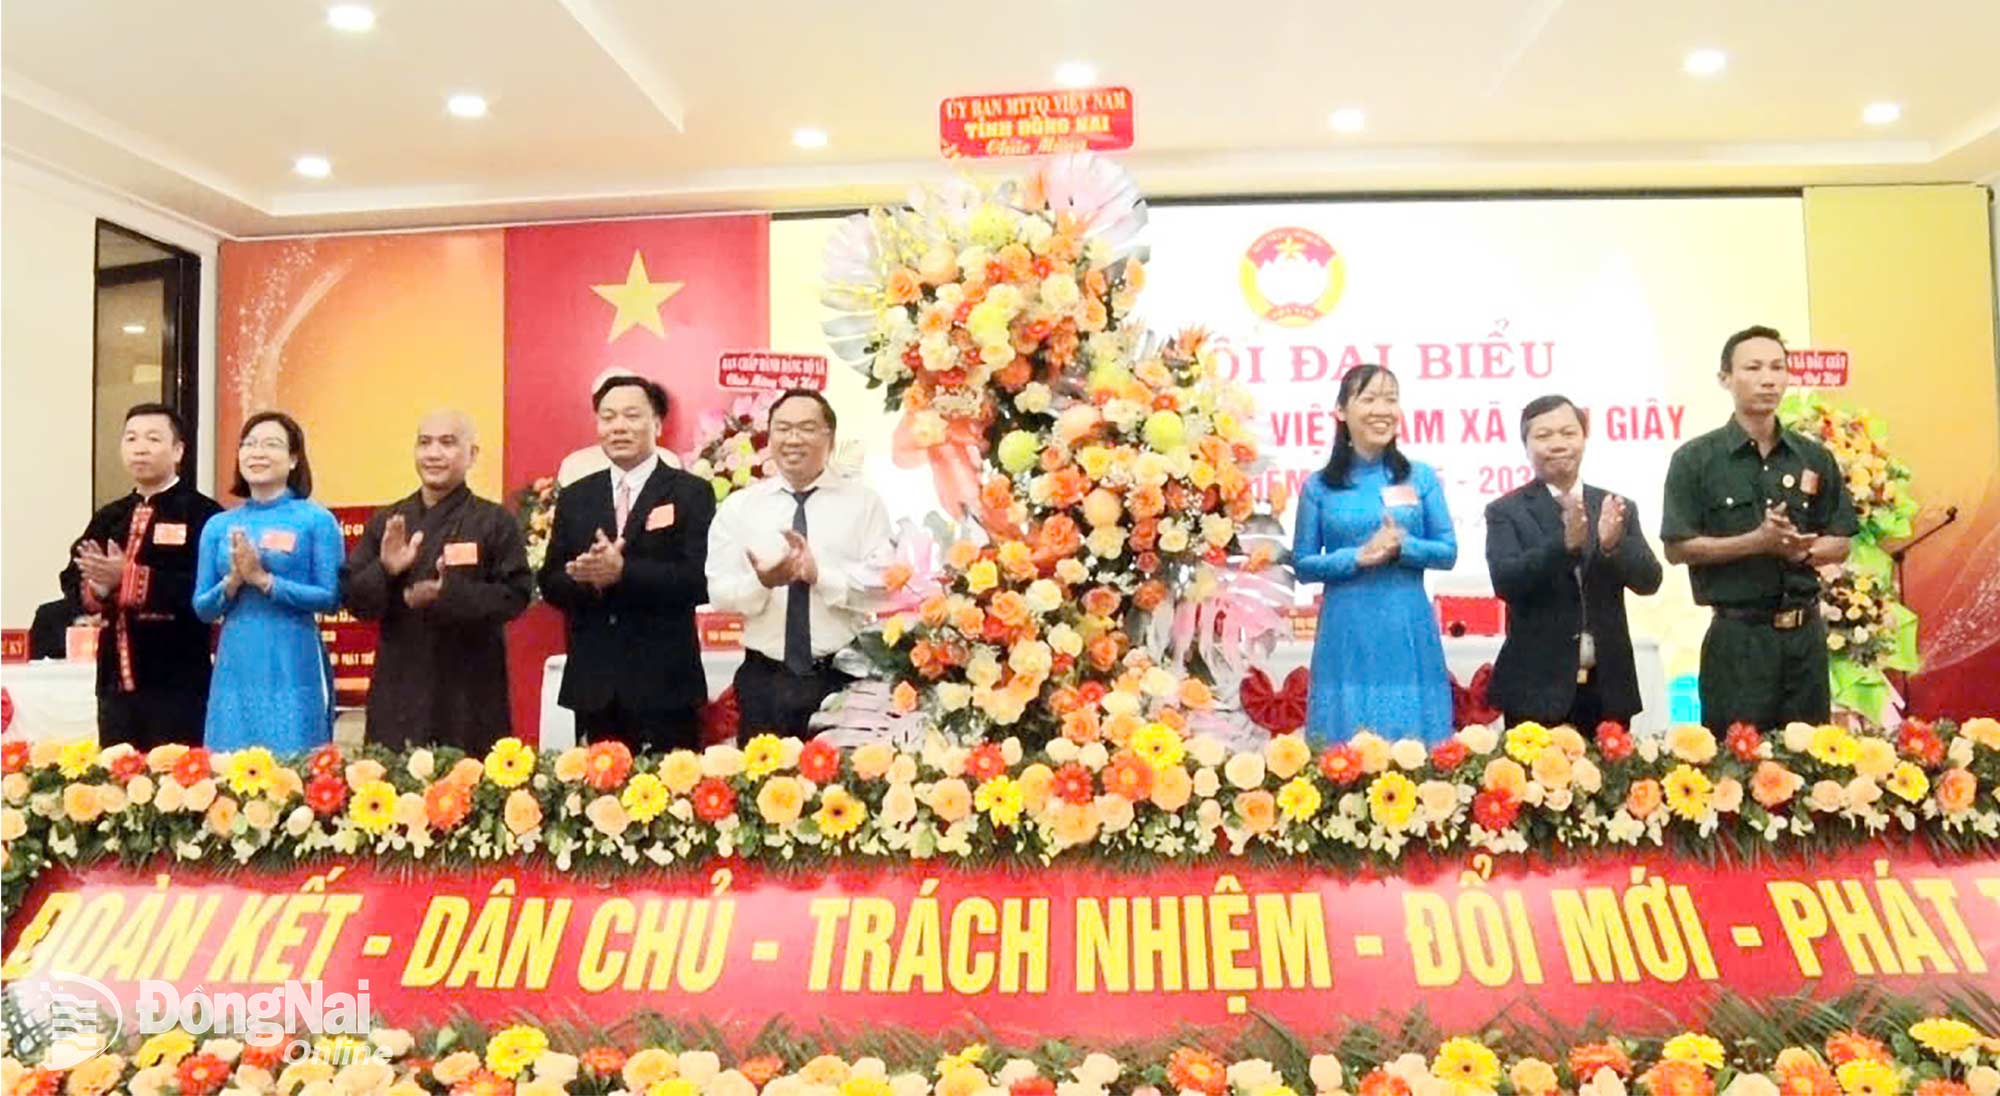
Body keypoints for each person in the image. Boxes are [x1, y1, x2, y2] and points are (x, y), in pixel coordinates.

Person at [1662, 325, 1856, 731]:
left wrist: (1800, 550)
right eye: (1753, 368)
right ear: (1725, 378)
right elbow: (1678, 547)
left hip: (1805, 638)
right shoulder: (1696, 460)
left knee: (1811, 767)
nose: (1768, 379)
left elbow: (1839, 541)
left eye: (1777, 367)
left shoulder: (1813, 457)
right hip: (1737, 638)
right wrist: (1756, 542)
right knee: (1737, 767)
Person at [539, 376, 715, 751]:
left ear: (657, 424)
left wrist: (624, 573)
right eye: (608, 417)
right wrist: (585, 577)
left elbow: (699, 579)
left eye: (632, 415)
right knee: (597, 803)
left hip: (666, 682)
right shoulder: (576, 496)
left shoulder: (691, 493)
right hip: (594, 684)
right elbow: (550, 580)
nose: (618, 426)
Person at [341, 410, 533, 751]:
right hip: (400, 683)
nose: (433, 453)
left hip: (470, 688)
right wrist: (385, 569)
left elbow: (515, 596)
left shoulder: (494, 520)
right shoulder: (389, 520)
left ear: (472, 455)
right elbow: (355, 600)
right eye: (424, 442)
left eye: (447, 443)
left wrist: (449, 594)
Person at [707, 388, 891, 738]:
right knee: (764, 787)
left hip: (842, 675)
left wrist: (819, 575)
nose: (793, 438)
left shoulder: (864, 505)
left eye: (806, 428)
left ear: (830, 437)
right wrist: (763, 582)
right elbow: (720, 594)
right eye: (783, 428)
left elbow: (883, 590)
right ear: (770, 435)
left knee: (840, 788)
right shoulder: (740, 507)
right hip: (764, 680)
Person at [1292, 365, 1457, 744]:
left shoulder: (1420, 477)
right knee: (1346, 739)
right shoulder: (1319, 486)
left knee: (1413, 740)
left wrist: (1404, 548)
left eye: (1391, 399)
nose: (1382, 409)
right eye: (1369, 399)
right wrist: (1355, 557)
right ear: (1340, 411)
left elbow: (1447, 552)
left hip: (1406, 622)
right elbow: (1302, 564)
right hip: (1346, 626)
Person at [1485, 395, 1663, 730]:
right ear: (1525, 445)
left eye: (1568, 433)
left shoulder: (1616, 505)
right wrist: (1563, 545)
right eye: (1543, 435)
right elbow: (1505, 581)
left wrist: (1613, 545)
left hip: (1608, 686)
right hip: (1535, 687)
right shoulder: (1506, 511)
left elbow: (1650, 581)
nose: (1557, 444)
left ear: (1583, 438)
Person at [60, 403, 222, 748]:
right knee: (116, 785)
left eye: (153, 438)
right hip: (114, 679)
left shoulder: (203, 514)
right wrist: (100, 588)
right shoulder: (110, 516)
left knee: (178, 785)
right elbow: (71, 577)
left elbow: (206, 589)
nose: (140, 448)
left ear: (178, 450)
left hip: (178, 679)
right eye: (131, 439)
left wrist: (131, 577)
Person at [194, 411, 344, 753]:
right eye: (249, 444)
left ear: (294, 459)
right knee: (228, 770)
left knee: (294, 768)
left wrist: (264, 580)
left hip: (292, 659)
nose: (257, 452)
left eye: (271, 445)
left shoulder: (315, 520)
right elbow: (202, 607)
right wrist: (232, 581)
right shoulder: (218, 525)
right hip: (235, 663)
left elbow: (331, 597)